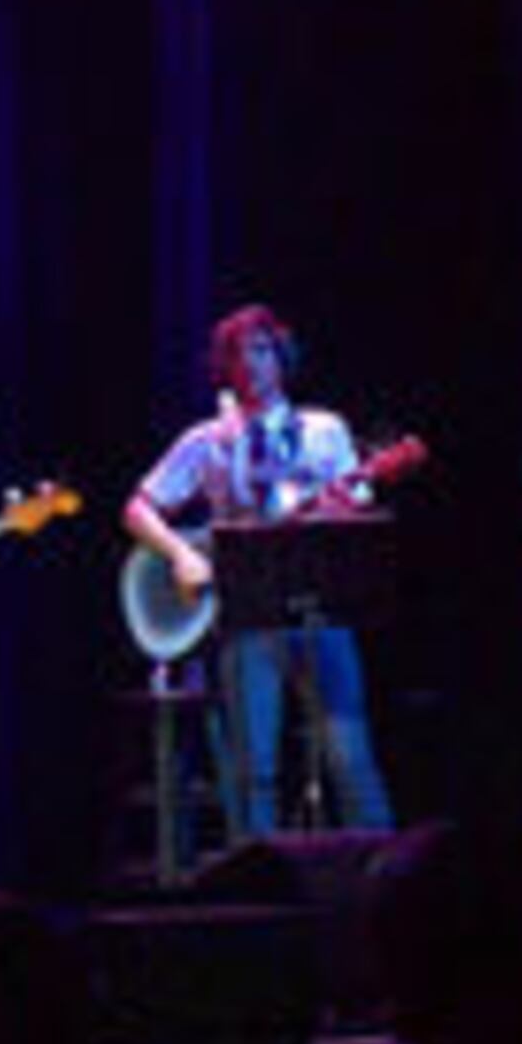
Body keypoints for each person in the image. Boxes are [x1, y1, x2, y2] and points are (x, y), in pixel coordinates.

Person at [123, 302, 397, 843]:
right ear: (223, 367)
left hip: (321, 611)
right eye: (237, 354)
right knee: (254, 770)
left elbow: (357, 506)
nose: (250, 363)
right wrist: (181, 553)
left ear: (281, 357)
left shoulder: (323, 430)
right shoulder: (206, 440)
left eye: (261, 350)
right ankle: (260, 876)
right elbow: (137, 507)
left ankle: (380, 871)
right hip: (246, 619)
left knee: (348, 754)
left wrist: (340, 504)